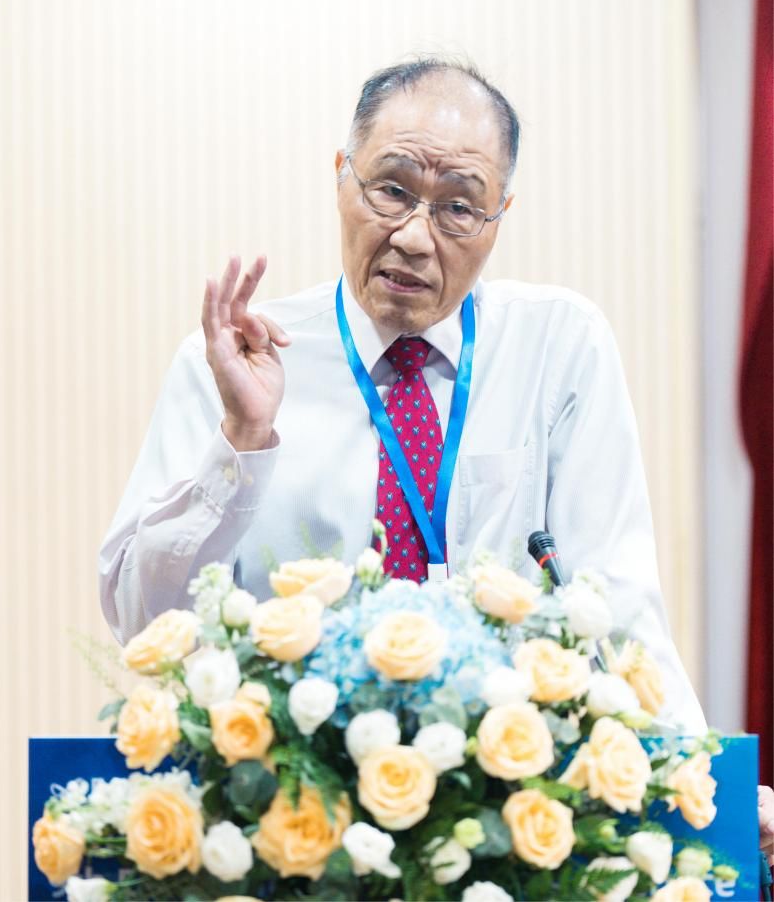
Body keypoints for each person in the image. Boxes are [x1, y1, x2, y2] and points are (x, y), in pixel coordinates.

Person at [101, 57, 703, 730]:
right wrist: (241, 441)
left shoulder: (558, 348)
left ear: (499, 217)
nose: (414, 237)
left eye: (459, 207)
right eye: (391, 190)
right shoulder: (235, 362)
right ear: (341, 176)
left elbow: (617, 608)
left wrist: (700, 778)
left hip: (500, 773)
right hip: (292, 772)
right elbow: (144, 626)